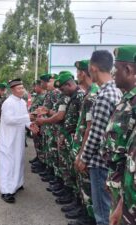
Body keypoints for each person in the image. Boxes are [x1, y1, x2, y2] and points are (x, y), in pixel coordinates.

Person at [77, 50, 122, 225]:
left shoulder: (104, 96)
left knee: (102, 213)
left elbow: (96, 133)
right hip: (110, 162)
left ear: (93, 68)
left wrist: (83, 158)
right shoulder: (117, 91)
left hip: (99, 162)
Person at [98, 46, 136, 225]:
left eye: (116, 69)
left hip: (129, 200)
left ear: (128, 70)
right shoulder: (127, 98)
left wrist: (122, 203)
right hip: (120, 185)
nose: (113, 74)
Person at [68, 60, 99, 225]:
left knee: (88, 186)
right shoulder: (88, 94)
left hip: (87, 150)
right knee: (83, 184)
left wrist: (82, 154)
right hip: (81, 146)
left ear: (84, 73)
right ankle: (83, 211)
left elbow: (90, 128)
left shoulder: (93, 95)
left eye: (79, 72)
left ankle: (89, 218)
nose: (77, 74)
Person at [0, 78, 38, 203]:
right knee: (8, 164)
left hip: (19, 138)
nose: (22, 90)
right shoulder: (8, 103)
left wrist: (30, 125)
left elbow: (25, 120)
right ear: (12, 90)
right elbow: (9, 120)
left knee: (19, 161)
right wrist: (28, 116)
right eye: (19, 88)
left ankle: (17, 184)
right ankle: (6, 191)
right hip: (9, 139)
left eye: (22, 88)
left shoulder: (22, 102)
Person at [28, 80, 46, 164]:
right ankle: (38, 157)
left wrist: (32, 116)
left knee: (40, 142)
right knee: (36, 141)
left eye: (35, 86)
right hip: (34, 121)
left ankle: (41, 160)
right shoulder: (38, 96)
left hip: (39, 122)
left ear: (39, 86)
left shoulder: (43, 97)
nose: (34, 88)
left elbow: (41, 110)